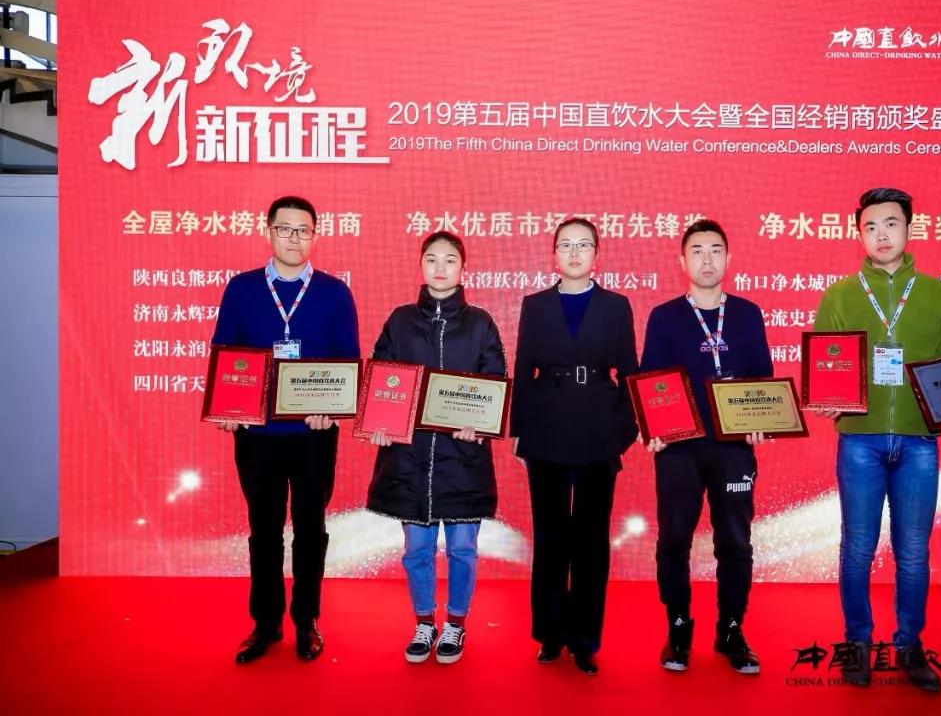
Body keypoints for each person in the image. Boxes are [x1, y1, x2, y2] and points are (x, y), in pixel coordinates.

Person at [813, 187, 941, 692]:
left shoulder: (940, 295)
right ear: (858, 234)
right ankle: (857, 644)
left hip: (918, 442)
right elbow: (825, 367)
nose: (880, 234)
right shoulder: (839, 295)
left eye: (890, 224)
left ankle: (909, 646)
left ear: (909, 228)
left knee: (913, 553)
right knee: (857, 548)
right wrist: (826, 396)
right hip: (859, 441)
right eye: (870, 226)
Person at [212, 195, 360, 663]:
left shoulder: (335, 292)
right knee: (264, 530)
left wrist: (332, 410)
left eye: (304, 230)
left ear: (315, 235)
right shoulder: (241, 289)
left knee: (311, 530)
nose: (294, 238)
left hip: (314, 435)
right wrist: (227, 407)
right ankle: (265, 623)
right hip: (257, 436)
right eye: (285, 229)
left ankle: (306, 620)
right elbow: (225, 354)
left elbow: (347, 362)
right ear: (268, 231)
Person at [365, 231, 506, 665]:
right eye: (431, 259)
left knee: (463, 549)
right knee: (416, 551)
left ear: (463, 268)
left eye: (449, 260)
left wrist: (481, 425)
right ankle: (424, 621)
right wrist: (379, 423)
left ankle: (456, 624)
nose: (440, 267)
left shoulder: (481, 323)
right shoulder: (400, 320)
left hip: (463, 458)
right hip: (409, 457)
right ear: (421, 265)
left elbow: (495, 381)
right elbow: (382, 375)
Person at [640, 218, 772, 674]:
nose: (707, 259)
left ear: (728, 258)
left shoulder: (748, 314)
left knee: (735, 540)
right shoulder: (664, 316)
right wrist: (654, 427)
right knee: (674, 539)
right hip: (679, 448)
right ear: (682, 261)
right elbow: (651, 383)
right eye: (697, 251)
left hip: (734, 447)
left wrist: (762, 422)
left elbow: (761, 380)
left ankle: (731, 628)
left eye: (715, 250)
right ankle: (678, 627)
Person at [510, 217, 639, 675]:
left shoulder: (616, 306)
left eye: (583, 245)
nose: (575, 252)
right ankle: (549, 633)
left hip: (598, 433)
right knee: (550, 538)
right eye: (566, 245)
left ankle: (584, 638)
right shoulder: (535, 305)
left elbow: (630, 373)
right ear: (554, 255)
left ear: (597, 254)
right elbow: (523, 368)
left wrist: (623, 431)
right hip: (545, 431)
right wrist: (519, 430)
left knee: (590, 540)